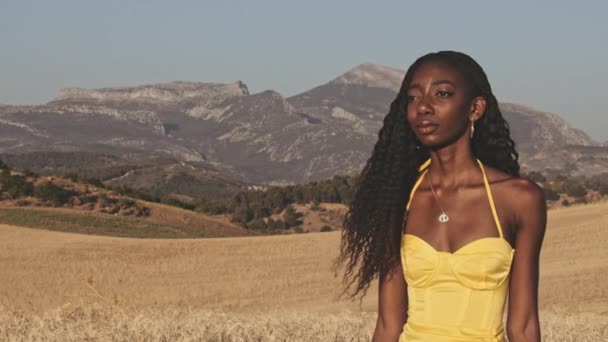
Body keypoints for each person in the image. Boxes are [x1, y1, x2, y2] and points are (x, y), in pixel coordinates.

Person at [334, 51, 547, 341]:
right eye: (412, 98)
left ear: (475, 108)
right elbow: (388, 325)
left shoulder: (519, 199)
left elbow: (522, 326)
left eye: (442, 94)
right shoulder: (398, 197)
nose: (423, 107)